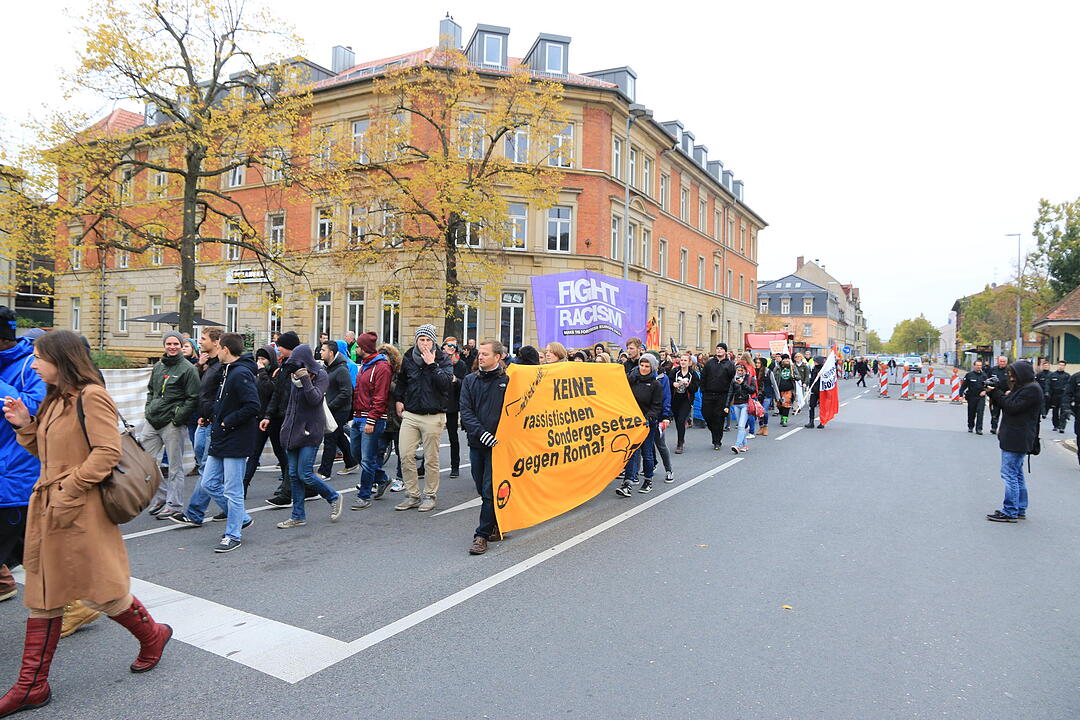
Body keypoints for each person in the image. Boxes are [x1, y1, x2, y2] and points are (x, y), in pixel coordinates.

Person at [1, 330, 172, 717]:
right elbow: (45, 451)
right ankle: (32, 685)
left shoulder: (91, 396)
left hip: (79, 510)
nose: (33, 363)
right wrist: (25, 423)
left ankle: (153, 636)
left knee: (103, 591)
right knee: (44, 595)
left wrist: (69, 488)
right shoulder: (54, 399)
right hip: (50, 508)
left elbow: (108, 452)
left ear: (61, 360)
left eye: (40, 357)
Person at [170, 333, 259, 552]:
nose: (215, 351)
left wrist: (227, 422)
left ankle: (233, 534)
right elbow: (224, 402)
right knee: (209, 482)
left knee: (233, 490)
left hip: (235, 440)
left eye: (218, 347)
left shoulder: (240, 373)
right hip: (221, 437)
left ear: (225, 350)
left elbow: (252, 406)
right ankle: (242, 518)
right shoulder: (226, 371)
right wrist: (212, 417)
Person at [0, 306, 46, 609]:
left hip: (15, 476)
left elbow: (35, 407)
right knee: (34, 554)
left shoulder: (32, 365)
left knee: (38, 555)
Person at [275, 344, 345, 528]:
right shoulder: (292, 378)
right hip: (292, 430)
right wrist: (285, 427)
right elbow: (290, 404)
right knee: (293, 474)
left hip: (311, 430)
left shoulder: (321, 375)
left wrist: (305, 378)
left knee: (304, 473)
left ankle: (333, 496)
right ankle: (298, 515)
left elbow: (315, 399)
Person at [394, 325, 453, 513]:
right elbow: (402, 380)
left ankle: (429, 495)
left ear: (434, 341)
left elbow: (446, 384)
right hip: (411, 414)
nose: (425, 344)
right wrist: (398, 399)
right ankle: (412, 495)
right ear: (416, 340)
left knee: (431, 459)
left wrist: (432, 364)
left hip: (433, 415)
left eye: (428, 340)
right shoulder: (409, 357)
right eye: (422, 340)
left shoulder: (443, 359)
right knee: (405, 455)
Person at [142, 332, 200, 519]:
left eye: (176, 343)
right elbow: (151, 390)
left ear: (181, 345)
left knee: (175, 467)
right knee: (145, 462)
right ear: (164, 345)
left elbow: (193, 398)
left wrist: (177, 418)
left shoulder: (188, 369)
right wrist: (149, 409)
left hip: (172, 424)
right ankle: (162, 496)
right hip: (153, 420)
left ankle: (174, 504)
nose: (172, 347)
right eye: (169, 343)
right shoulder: (158, 366)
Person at [459, 339, 509, 555]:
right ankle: (496, 521)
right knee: (481, 486)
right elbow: (466, 411)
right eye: (480, 353)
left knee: (489, 489)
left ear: (498, 357)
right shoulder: (470, 380)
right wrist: (482, 434)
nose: (481, 357)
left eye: (486, 354)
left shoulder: (508, 381)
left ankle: (481, 535)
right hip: (478, 442)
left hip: (499, 446)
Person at [262, 332, 316, 507]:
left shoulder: (300, 367)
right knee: (288, 455)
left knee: (292, 455)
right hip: (282, 414)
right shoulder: (285, 365)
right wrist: (269, 415)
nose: (278, 349)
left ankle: (287, 493)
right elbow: (277, 393)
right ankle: (307, 488)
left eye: (281, 346)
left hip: (295, 416)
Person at [984, 361, 1042, 522]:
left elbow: (1011, 407)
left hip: (1017, 437)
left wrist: (996, 393)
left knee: (1009, 474)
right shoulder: (1026, 388)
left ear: (1021, 375)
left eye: (1012, 375)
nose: (1011, 378)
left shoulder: (1031, 390)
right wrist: (996, 393)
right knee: (1017, 474)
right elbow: (1008, 403)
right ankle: (1019, 507)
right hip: (1017, 437)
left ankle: (1010, 510)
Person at [349, 332, 393, 510]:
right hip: (359, 416)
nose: (355, 348)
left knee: (367, 459)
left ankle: (364, 495)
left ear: (364, 348)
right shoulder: (365, 365)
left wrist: (372, 420)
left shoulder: (382, 367)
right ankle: (382, 478)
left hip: (371, 418)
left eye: (358, 346)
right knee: (356, 454)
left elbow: (380, 397)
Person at [615, 353, 663, 497]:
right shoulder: (633, 380)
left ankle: (648, 480)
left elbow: (656, 406)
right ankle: (628, 483)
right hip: (633, 423)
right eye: (641, 365)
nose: (643, 368)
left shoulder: (656, 384)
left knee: (647, 453)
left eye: (647, 366)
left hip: (647, 423)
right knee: (631, 452)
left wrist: (648, 418)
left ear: (652, 368)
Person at [315, 341, 357, 479]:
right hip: (331, 409)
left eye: (323, 350)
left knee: (330, 439)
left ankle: (324, 472)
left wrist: (330, 406)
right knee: (338, 436)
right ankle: (351, 462)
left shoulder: (341, 369)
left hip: (340, 410)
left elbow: (346, 393)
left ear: (331, 353)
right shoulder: (328, 367)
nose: (320, 352)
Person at [442, 338, 469, 478]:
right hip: (438, 404)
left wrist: (456, 381)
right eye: (449, 345)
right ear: (443, 347)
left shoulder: (460, 364)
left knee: (453, 436)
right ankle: (424, 465)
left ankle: (455, 466)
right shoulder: (437, 361)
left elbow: (466, 382)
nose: (452, 347)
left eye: (454, 345)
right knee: (430, 437)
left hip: (452, 404)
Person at [700, 343, 734, 450]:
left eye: (721, 349)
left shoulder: (729, 365)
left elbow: (732, 382)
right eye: (717, 348)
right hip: (708, 394)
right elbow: (703, 377)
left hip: (722, 395)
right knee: (707, 415)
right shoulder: (710, 363)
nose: (719, 350)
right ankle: (714, 431)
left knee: (719, 418)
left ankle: (717, 441)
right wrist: (703, 390)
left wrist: (729, 399)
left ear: (725, 351)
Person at [668, 353, 699, 453]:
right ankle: (681, 437)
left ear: (689, 362)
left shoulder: (693, 374)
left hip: (686, 400)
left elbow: (695, 388)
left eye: (685, 360)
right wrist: (674, 384)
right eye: (681, 360)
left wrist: (688, 385)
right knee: (677, 421)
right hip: (675, 399)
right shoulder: (675, 371)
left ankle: (680, 443)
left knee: (681, 420)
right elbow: (668, 381)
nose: (683, 362)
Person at [725, 362, 756, 452]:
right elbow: (730, 393)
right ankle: (745, 445)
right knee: (740, 426)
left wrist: (743, 384)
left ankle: (737, 445)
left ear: (745, 371)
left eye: (741, 370)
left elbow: (752, 390)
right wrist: (727, 405)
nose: (740, 372)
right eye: (738, 370)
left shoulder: (750, 379)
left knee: (741, 425)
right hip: (736, 404)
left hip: (746, 404)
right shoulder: (733, 380)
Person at [960, 359, 988, 434]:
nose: (979, 367)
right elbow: (963, 386)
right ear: (974, 366)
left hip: (981, 397)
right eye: (977, 365)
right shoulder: (969, 375)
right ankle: (970, 426)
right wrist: (960, 395)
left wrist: (985, 391)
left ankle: (979, 429)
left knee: (980, 412)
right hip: (972, 397)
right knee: (971, 413)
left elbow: (988, 386)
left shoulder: (984, 375)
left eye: (980, 365)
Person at [1046, 360, 1070, 433]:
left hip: (1064, 396)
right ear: (1058, 365)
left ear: (1065, 366)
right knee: (1055, 411)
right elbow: (1048, 384)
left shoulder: (1067, 376)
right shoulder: (1052, 375)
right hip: (1055, 395)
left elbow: (1070, 385)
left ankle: (1062, 426)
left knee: (1064, 412)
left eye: (1062, 365)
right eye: (1060, 365)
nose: (1061, 366)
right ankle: (1055, 425)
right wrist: (1047, 392)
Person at [754, 356, 775, 436]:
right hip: (758, 395)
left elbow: (774, 384)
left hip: (767, 394)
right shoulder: (755, 371)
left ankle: (765, 427)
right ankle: (761, 427)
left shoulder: (768, 372)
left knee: (764, 411)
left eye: (759, 363)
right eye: (756, 362)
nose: (757, 364)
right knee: (759, 412)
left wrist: (777, 397)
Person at [775, 357, 796, 427]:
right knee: (779, 405)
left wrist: (794, 376)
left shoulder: (792, 368)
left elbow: (798, 377)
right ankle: (782, 415)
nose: (786, 360)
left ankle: (785, 420)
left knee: (786, 404)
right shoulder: (777, 368)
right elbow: (773, 377)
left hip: (788, 390)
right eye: (785, 359)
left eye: (788, 359)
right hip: (779, 389)